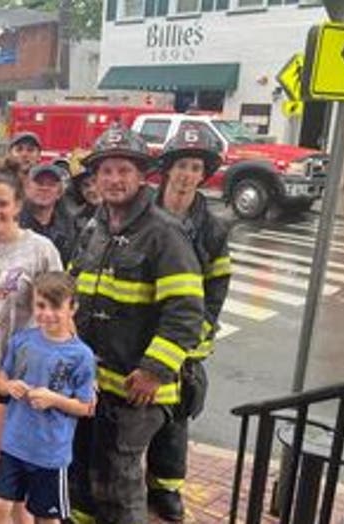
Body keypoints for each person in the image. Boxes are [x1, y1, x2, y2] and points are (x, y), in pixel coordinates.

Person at [68, 124, 204, 524]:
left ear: (141, 175)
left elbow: (186, 311)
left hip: (137, 389)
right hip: (95, 383)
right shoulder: (94, 228)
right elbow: (74, 291)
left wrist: (153, 370)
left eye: (123, 170)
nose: (113, 179)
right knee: (87, 472)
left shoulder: (164, 233)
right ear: (95, 177)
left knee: (121, 484)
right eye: (105, 171)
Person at [146, 124, 231, 522]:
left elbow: (216, 287)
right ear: (168, 168)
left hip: (181, 336)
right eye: (181, 164)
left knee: (174, 419)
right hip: (137, 327)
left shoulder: (213, 228)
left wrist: (201, 332)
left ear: (204, 173)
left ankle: (165, 486)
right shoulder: (142, 209)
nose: (187, 174)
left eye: (195, 167)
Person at [0, 161, 63, 481]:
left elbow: (61, 309)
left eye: (2, 204)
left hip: (25, 369)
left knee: (18, 455)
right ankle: (6, 508)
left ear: (18, 205)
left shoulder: (40, 248)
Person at [0, 272, 96, 524]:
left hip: (50, 453)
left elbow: (85, 407)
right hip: (14, 445)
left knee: (46, 518)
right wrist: (9, 386)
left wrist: (54, 399)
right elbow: (0, 380)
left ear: (73, 308)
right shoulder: (22, 341)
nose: (46, 313)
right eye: (40, 305)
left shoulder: (81, 355)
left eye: (56, 307)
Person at [19, 164, 77, 264]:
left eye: (51, 184)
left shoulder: (70, 226)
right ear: (26, 189)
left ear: (59, 193)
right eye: (39, 183)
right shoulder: (12, 222)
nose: (45, 188)